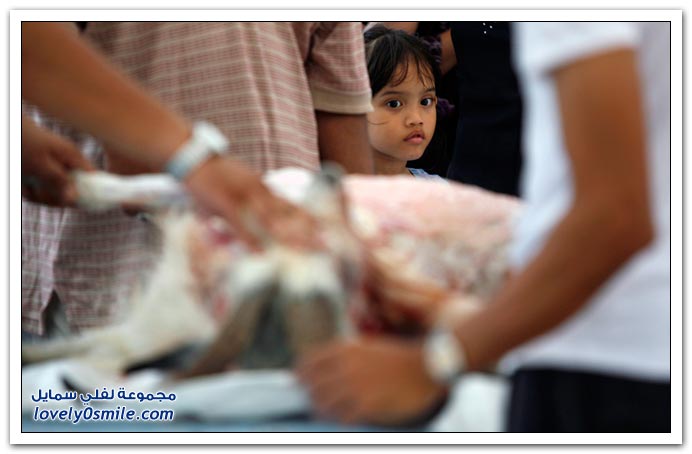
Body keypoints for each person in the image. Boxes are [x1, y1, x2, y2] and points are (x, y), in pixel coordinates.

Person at [297, 21, 670, 432]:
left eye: (426, 101)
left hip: (606, 354)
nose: (414, 116)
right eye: (392, 103)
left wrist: (435, 361)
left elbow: (616, 215)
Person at [22, 22, 374, 337]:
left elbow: (340, 97)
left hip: (294, 278)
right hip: (118, 275)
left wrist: (364, 263)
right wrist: (187, 157)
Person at [363, 25, 444, 182]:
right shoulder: (331, 197)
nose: (416, 119)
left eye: (425, 101)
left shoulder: (440, 191)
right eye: (394, 104)